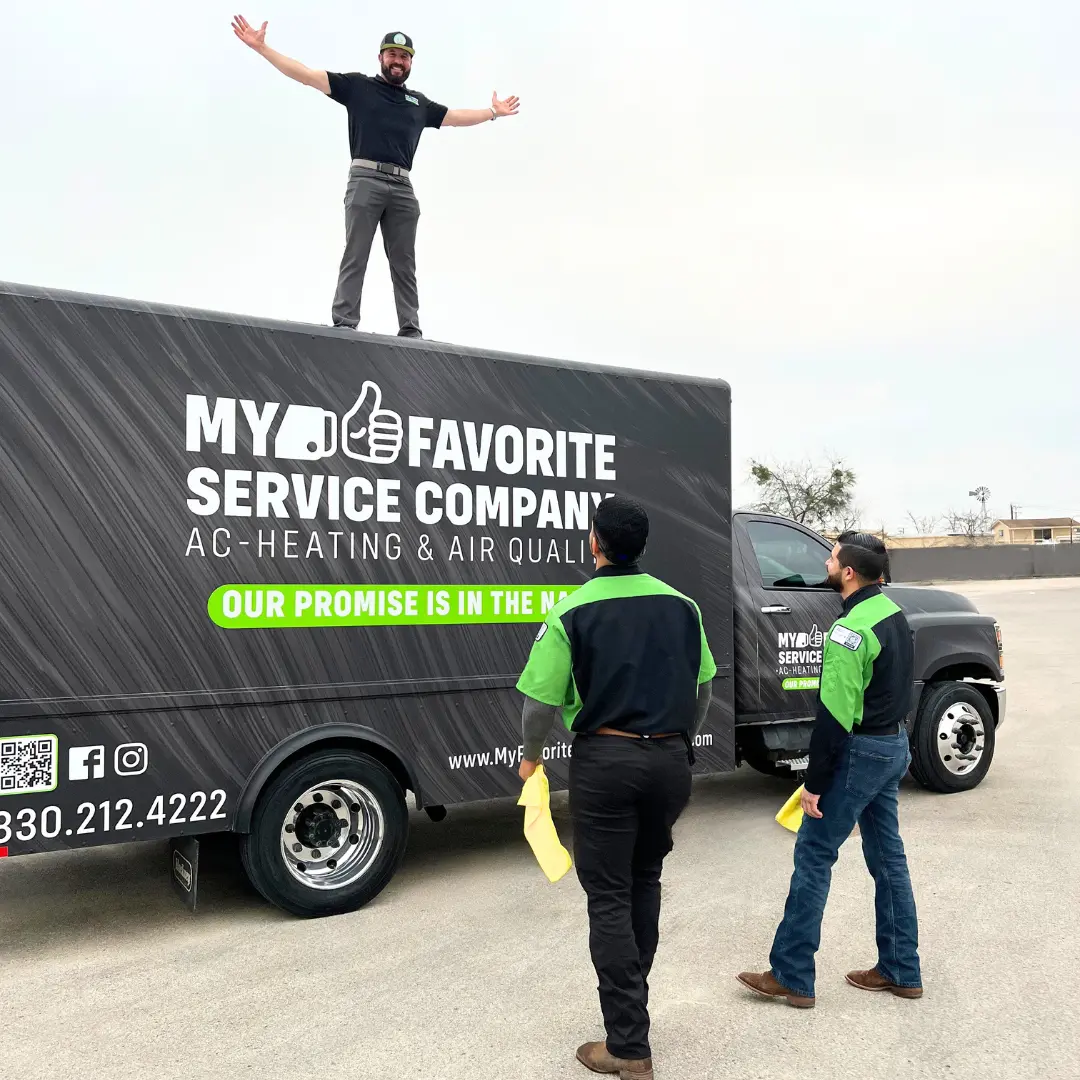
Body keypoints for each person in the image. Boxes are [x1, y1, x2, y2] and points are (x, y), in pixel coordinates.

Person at [516, 495, 716, 1080]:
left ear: (595, 542)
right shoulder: (683, 607)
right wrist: (679, 741)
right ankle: (632, 1008)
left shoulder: (572, 610)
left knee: (606, 897)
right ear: (642, 545)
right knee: (644, 878)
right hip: (669, 761)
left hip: (605, 760)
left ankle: (628, 1045)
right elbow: (703, 689)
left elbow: (538, 705)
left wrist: (531, 762)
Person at [231, 15, 520, 338]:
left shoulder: (418, 103)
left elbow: (454, 117)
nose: (398, 61)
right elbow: (307, 76)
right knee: (356, 252)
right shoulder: (358, 87)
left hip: (402, 187)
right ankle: (345, 323)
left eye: (404, 57)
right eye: (393, 55)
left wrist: (493, 112)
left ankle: (410, 329)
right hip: (365, 179)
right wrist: (263, 49)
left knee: (404, 262)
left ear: (411, 63)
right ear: (381, 57)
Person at [736, 531, 923, 1008]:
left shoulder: (849, 632)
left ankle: (792, 975)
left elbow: (835, 719)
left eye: (833, 557)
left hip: (861, 752)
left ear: (849, 573)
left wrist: (814, 786)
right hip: (893, 746)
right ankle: (902, 969)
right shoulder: (893, 614)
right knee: (888, 860)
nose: (826, 561)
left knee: (814, 854)